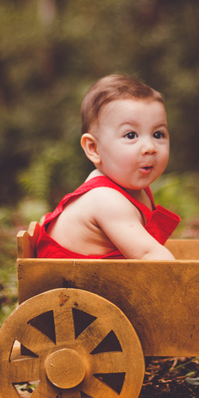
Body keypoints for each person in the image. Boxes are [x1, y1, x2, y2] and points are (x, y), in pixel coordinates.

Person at [33, 74, 179, 260]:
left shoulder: (133, 189)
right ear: (93, 148)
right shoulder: (105, 199)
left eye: (158, 134)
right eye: (131, 135)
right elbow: (148, 255)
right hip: (69, 281)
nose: (150, 147)